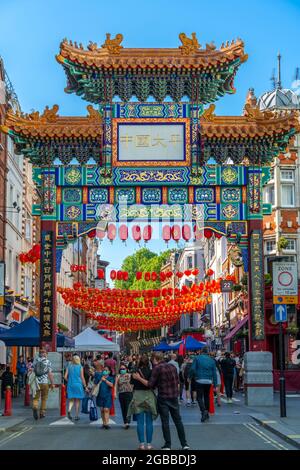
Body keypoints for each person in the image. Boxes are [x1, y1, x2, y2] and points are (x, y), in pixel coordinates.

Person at [133, 352, 189, 451]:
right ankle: (184, 444)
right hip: (174, 396)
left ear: (155, 359)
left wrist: (139, 378)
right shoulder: (172, 366)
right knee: (178, 421)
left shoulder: (157, 368)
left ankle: (168, 445)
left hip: (163, 397)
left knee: (165, 422)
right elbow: (178, 381)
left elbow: (150, 384)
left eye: (152, 360)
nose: (152, 362)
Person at [128, 354, 156, 450]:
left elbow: (131, 385)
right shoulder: (152, 372)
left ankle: (141, 444)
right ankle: (149, 444)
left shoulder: (135, 372)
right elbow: (153, 385)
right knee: (149, 422)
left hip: (138, 396)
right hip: (149, 397)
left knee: (140, 422)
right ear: (148, 362)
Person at [189, 347, 217, 422]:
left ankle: (203, 411)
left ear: (201, 351)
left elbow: (192, 369)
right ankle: (206, 414)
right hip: (208, 381)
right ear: (207, 352)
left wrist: (190, 376)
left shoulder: (197, 358)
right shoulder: (212, 360)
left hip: (199, 380)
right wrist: (215, 384)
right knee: (206, 397)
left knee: (199, 397)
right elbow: (214, 373)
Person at [31, 347, 55, 420]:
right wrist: (52, 383)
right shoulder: (48, 362)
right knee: (44, 398)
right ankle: (42, 413)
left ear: (39, 354)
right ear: (45, 354)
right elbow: (50, 374)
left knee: (36, 398)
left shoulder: (35, 362)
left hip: (36, 383)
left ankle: (35, 407)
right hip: (44, 383)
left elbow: (31, 371)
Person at [64, 354, 88, 421]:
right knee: (77, 401)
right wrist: (85, 386)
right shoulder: (80, 367)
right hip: (78, 384)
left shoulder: (69, 366)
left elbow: (65, 377)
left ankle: (69, 410)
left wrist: (69, 381)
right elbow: (82, 377)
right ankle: (76, 415)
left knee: (71, 399)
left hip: (70, 384)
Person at [115, 363, 133, 429]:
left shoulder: (130, 375)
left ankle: (127, 422)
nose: (122, 370)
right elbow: (116, 385)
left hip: (129, 393)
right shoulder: (118, 376)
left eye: (123, 369)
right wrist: (115, 393)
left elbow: (133, 383)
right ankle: (125, 422)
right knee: (123, 408)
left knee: (128, 407)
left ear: (126, 369)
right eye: (121, 369)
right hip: (121, 393)